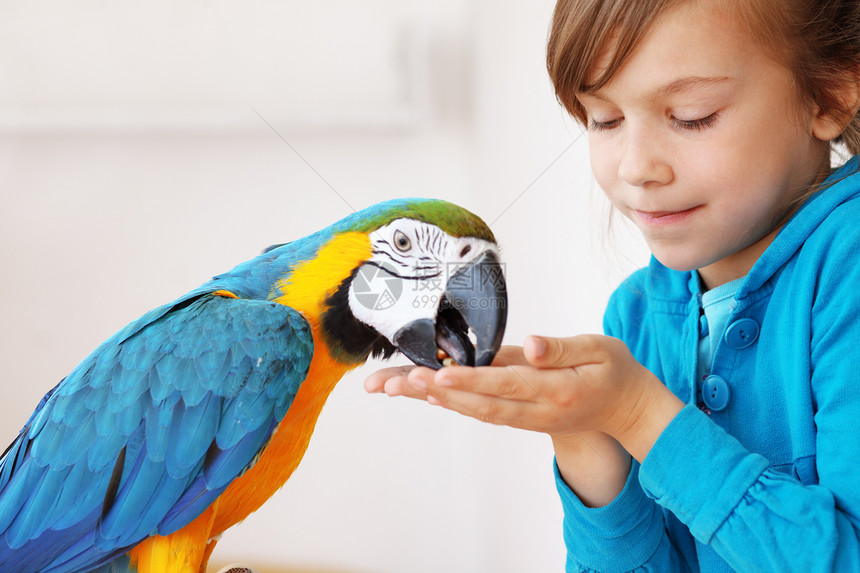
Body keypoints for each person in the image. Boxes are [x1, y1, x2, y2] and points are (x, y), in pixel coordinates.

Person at [365, 0, 860, 570]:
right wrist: (583, 431)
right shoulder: (636, 316)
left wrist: (639, 415)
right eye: (604, 119)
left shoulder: (846, 266)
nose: (636, 166)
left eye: (692, 115)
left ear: (830, 93)